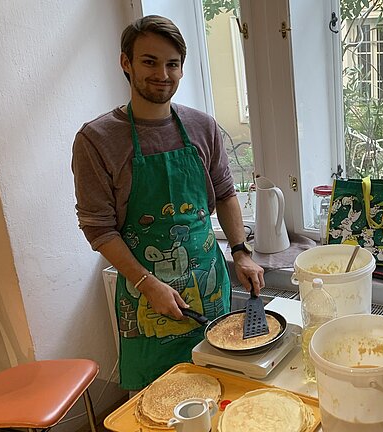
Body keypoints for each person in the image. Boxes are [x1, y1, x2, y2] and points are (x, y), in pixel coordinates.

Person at [71, 15, 265, 390]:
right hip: (147, 294)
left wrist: (241, 251)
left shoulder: (202, 127)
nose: (162, 73)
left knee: (220, 383)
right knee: (160, 398)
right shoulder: (96, 140)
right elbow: (99, 228)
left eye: (172, 64)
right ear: (125, 63)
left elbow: (224, 194)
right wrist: (146, 283)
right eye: (149, 61)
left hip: (208, 285)